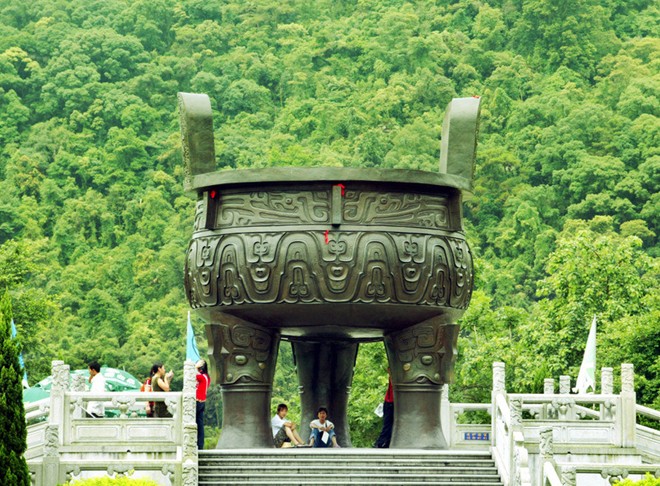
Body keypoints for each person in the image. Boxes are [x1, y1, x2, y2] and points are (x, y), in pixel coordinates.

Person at [374, 369, 394, 448]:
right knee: (388, 425)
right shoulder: (395, 376)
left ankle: (386, 443)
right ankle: (380, 443)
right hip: (390, 402)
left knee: (390, 425)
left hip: (392, 402)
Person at [195, 359, 211, 449]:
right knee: (200, 424)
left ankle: (197, 443)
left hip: (197, 402)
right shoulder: (207, 377)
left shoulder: (200, 377)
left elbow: (191, 375)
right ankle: (200, 444)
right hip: (202, 402)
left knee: (195, 423)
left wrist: (195, 367)